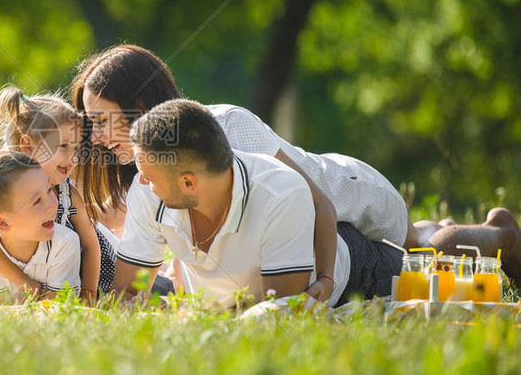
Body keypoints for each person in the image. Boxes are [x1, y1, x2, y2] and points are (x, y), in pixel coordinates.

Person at [71, 44, 521, 291]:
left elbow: (317, 203)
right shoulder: (155, 162)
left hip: (346, 193)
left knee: (422, 248)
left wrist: (324, 281)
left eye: (101, 120)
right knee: (410, 247)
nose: (96, 136)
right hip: (320, 215)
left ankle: (502, 236)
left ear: (137, 105)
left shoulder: (225, 127)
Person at [113, 99, 402, 308]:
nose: (141, 183)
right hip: (230, 298)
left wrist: (191, 316)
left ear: (189, 183)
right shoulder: (149, 193)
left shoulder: (281, 193)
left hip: (354, 273)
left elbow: (278, 312)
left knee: (427, 268)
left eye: (148, 176)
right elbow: (124, 295)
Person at [0, 87, 110, 299]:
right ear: (29, 146)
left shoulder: (68, 194)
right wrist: (22, 281)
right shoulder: (10, 191)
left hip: (96, 274)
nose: (74, 157)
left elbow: (90, 244)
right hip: (47, 278)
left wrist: (89, 292)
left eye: (77, 149)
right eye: (63, 146)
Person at [0, 150, 80, 304]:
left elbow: (58, 305)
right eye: (37, 201)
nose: (53, 205)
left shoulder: (64, 243)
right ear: (1, 222)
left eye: (49, 190)